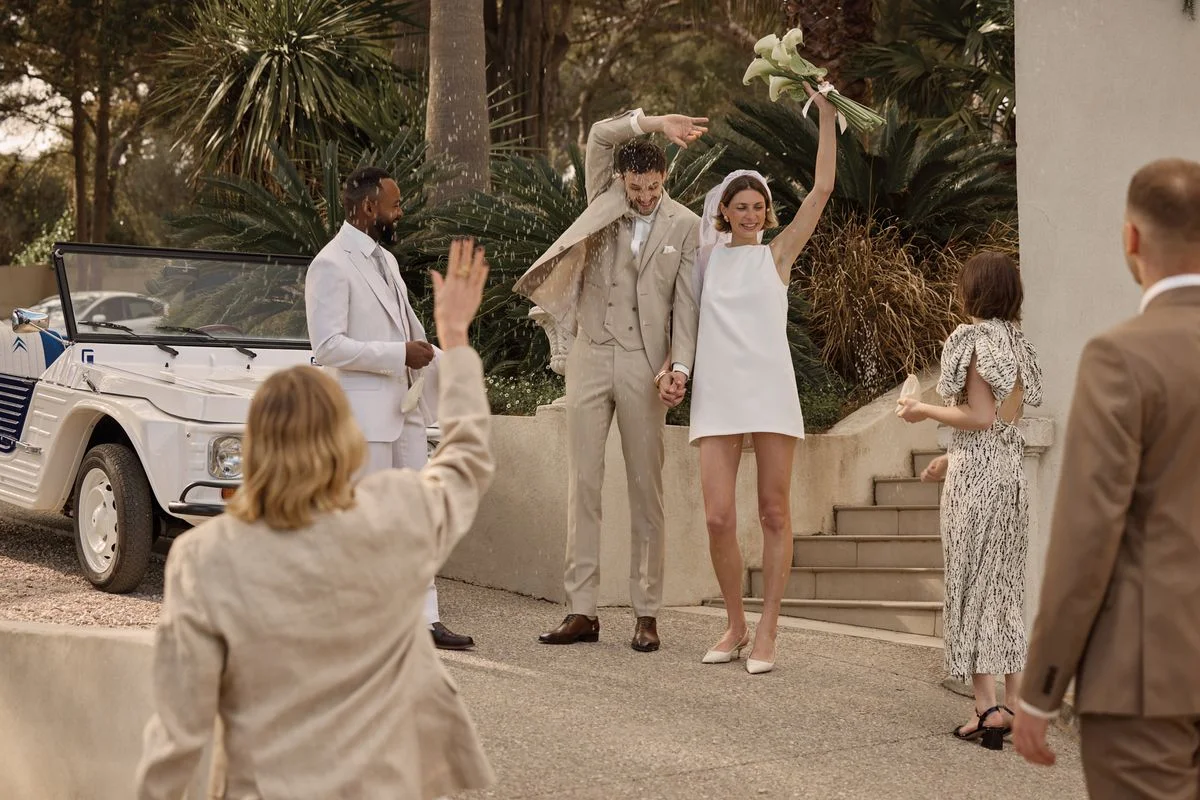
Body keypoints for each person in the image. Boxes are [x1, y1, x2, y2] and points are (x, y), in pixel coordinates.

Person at [135, 239, 496, 799]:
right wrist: (455, 339)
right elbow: (467, 459)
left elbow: (180, 734)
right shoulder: (396, 514)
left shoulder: (204, 558)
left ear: (255, 446)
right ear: (345, 441)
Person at [1012, 158, 1200, 796]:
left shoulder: (1123, 356)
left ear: (1132, 239)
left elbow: (1087, 537)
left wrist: (1040, 690)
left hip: (1149, 681)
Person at [514, 107, 706, 652]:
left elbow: (686, 310)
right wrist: (651, 122)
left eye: (652, 187)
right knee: (584, 484)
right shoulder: (603, 197)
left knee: (648, 491)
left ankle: (646, 613)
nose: (643, 197)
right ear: (621, 177)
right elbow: (599, 133)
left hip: (648, 366)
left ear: (664, 178)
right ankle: (581, 611)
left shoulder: (686, 225)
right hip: (591, 355)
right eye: (636, 186)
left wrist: (680, 368)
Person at [689, 86, 837, 675]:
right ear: (724, 210)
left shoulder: (779, 255)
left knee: (774, 513)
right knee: (717, 517)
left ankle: (770, 629)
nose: (749, 214)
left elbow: (823, 188)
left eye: (757, 206)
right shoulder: (703, 258)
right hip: (718, 394)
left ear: (766, 212)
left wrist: (826, 114)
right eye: (740, 206)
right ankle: (734, 623)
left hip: (771, 392)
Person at [305, 165, 473, 650]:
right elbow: (328, 346)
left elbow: (409, 330)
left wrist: (441, 360)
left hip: (406, 413)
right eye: (394, 205)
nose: (400, 213)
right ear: (366, 209)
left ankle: (424, 619)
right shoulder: (331, 264)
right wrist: (398, 355)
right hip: (362, 420)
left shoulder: (387, 262)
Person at [898, 252, 1043, 748]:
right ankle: (1019, 708)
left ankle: (987, 710)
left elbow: (978, 416)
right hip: (1008, 477)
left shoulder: (973, 339)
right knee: (1004, 591)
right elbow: (1001, 424)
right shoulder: (1018, 344)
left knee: (970, 586)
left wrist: (922, 410)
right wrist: (950, 460)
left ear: (973, 290)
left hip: (977, 483)